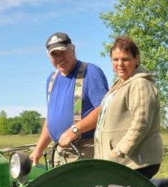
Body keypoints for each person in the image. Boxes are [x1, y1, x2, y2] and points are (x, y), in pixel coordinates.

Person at [30, 33, 109, 166]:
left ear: (72, 49)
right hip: (59, 153)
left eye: (63, 52)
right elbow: (51, 119)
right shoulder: (51, 79)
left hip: (85, 151)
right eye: (54, 54)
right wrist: (39, 149)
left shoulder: (90, 72)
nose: (59, 58)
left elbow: (104, 109)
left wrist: (75, 130)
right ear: (49, 57)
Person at [94, 36, 163, 178]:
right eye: (115, 59)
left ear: (136, 59)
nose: (120, 64)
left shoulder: (139, 84)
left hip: (135, 163)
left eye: (125, 59)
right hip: (119, 162)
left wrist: (119, 151)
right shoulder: (120, 84)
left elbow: (141, 122)